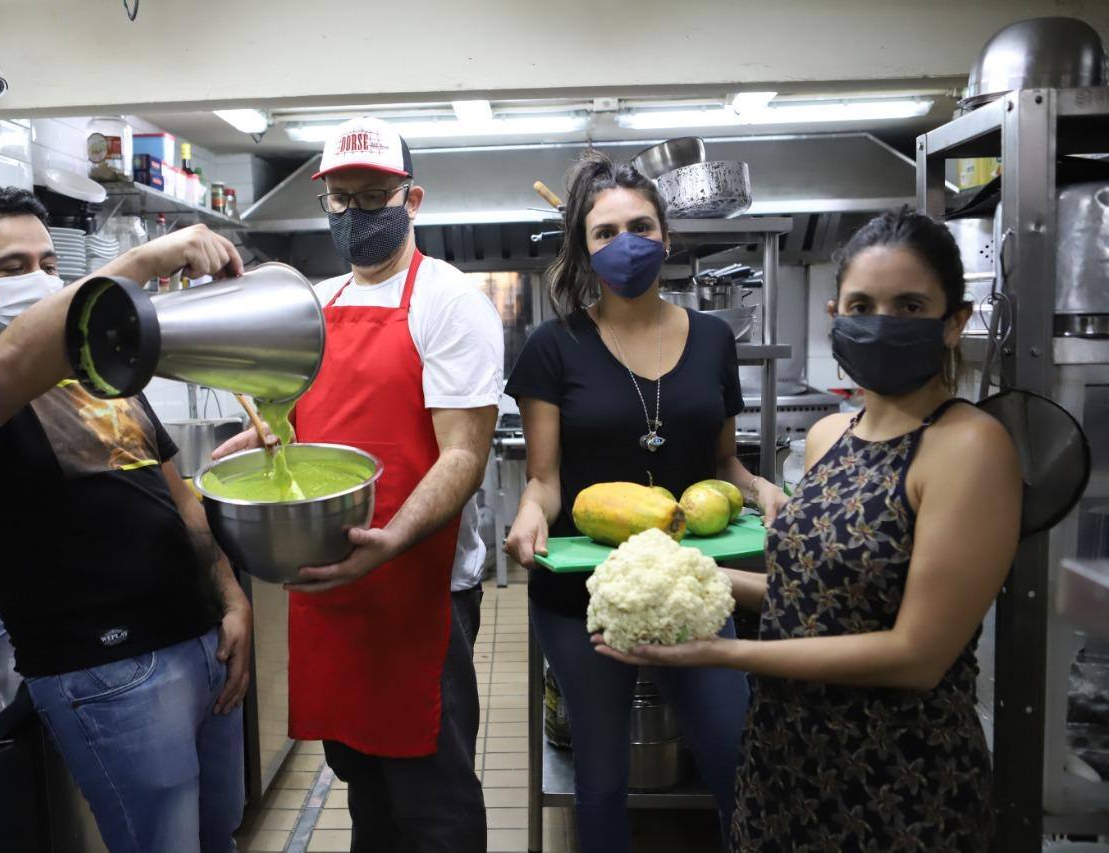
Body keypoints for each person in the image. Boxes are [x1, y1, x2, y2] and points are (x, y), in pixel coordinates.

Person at [595, 207, 1022, 852]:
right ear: (836, 315)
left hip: (894, 777)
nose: (882, 324)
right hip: (784, 759)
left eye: (910, 306)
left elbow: (917, 654)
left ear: (955, 323)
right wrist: (688, 576)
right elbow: (817, 599)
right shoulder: (829, 439)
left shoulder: (970, 448)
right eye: (863, 304)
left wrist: (720, 653)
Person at [0, 186, 252, 853]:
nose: (37, 280)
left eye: (47, 263)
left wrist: (229, 597)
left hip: (201, 643)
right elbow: (10, 364)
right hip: (108, 674)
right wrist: (145, 259)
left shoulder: (101, 376)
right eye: (10, 268)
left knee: (220, 835)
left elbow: (178, 497)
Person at [216, 116, 501, 851]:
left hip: (418, 582)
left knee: (431, 796)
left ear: (413, 200)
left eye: (374, 196)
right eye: (340, 200)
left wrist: (392, 541)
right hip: (335, 577)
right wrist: (264, 435)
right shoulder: (315, 303)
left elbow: (463, 456)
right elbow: (297, 421)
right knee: (362, 778)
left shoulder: (450, 301)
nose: (355, 215)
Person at [503, 151, 786, 851]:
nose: (625, 243)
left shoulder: (715, 339)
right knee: (599, 777)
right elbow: (545, 478)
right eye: (605, 232)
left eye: (640, 225)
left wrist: (761, 486)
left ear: (666, 237)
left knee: (736, 758)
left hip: (698, 584)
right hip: (587, 595)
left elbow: (725, 461)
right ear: (584, 247)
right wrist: (531, 510)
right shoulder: (553, 347)